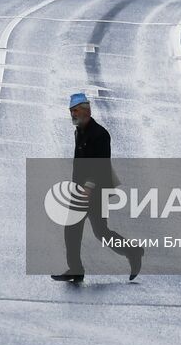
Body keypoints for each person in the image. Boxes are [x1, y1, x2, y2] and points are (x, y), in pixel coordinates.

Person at [52, 93, 144, 284]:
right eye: (71, 111)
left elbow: (100, 164)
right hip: (80, 190)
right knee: (82, 229)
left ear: (87, 110)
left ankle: (132, 252)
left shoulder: (100, 134)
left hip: (96, 192)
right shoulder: (79, 131)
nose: (72, 114)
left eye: (76, 110)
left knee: (97, 231)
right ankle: (77, 269)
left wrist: (88, 187)